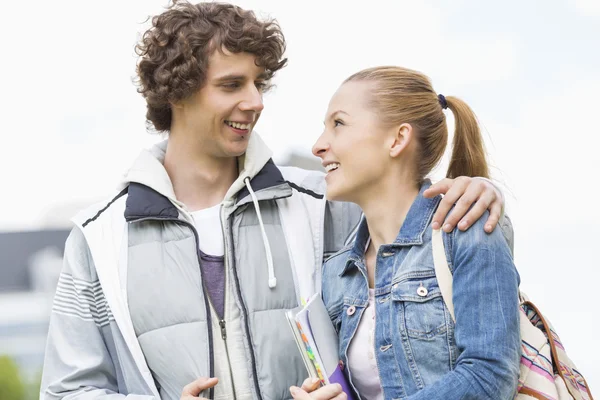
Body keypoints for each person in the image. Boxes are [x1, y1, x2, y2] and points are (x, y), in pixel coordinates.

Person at [40, 3, 507, 400]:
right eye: (232, 85)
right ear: (176, 91)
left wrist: (480, 190)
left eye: (259, 83)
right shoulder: (97, 239)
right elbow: (65, 390)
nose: (256, 101)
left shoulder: (322, 201)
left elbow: (418, 221)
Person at [291, 66, 520, 400]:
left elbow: (490, 376)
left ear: (397, 139)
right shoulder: (334, 274)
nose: (318, 146)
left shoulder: (464, 232)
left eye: (338, 124)